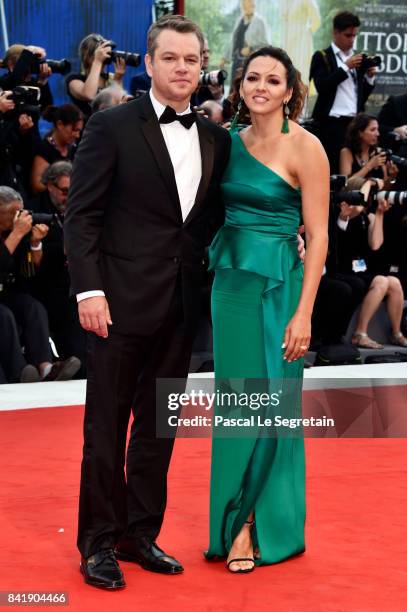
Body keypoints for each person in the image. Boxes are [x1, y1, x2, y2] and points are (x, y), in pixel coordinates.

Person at [64, 15, 231, 590]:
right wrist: (89, 289)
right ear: (150, 62)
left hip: (181, 308)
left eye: (191, 60)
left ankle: (140, 535)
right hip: (114, 305)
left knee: (158, 431)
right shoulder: (110, 126)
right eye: (171, 58)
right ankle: (98, 544)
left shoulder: (216, 137)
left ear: (202, 64)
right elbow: (80, 216)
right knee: (106, 430)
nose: (182, 68)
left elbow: (213, 219)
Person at [205, 46, 329, 572]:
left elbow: (319, 237)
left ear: (289, 91)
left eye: (272, 80)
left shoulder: (307, 147)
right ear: (240, 86)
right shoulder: (226, 143)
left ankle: (257, 524)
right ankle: (236, 522)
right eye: (252, 77)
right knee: (236, 405)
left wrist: (303, 314)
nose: (260, 86)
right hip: (229, 286)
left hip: (280, 289)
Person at [0, 186, 81, 381]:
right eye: (12, 213)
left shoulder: (17, 233)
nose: (18, 218)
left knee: (33, 307)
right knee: (4, 316)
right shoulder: (16, 234)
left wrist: (35, 244)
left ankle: (46, 368)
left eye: (20, 212)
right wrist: (17, 235)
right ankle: (21, 371)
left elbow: (29, 274)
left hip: (10, 292)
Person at [28, 162, 87, 377]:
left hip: (75, 287)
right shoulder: (33, 211)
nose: (69, 197)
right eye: (64, 191)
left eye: (74, 191)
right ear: (49, 186)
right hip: (44, 286)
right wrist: (36, 243)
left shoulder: (82, 209)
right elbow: (32, 268)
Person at [309, 11, 376, 173]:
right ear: (335, 32)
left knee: (352, 172)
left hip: (354, 124)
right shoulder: (322, 56)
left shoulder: (357, 59)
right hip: (332, 124)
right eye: (348, 35)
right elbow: (322, 86)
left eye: (354, 36)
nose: (352, 40)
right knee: (330, 169)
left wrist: (369, 78)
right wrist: (346, 67)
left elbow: (360, 97)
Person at [66, 34, 126, 121]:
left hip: (108, 127)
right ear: (88, 57)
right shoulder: (74, 80)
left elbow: (118, 105)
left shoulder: (110, 78)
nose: (107, 56)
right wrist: (97, 61)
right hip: (86, 130)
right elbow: (89, 95)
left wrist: (118, 79)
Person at [31, 104, 83, 194]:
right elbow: (37, 185)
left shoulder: (76, 149)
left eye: (79, 131)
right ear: (60, 124)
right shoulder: (44, 149)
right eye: (74, 130)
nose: (77, 135)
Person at [339, 114, 398, 184]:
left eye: (377, 130)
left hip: (376, 194)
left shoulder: (379, 152)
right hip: (355, 194)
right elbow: (345, 184)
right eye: (373, 130)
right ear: (360, 133)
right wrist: (370, 165)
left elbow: (383, 190)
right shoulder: (346, 152)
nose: (377, 134)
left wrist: (392, 177)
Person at [220, 0, 269, 82]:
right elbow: (233, 41)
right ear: (242, 7)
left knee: (246, 88)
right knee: (234, 89)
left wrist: (251, 49)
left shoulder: (260, 22)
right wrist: (224, 58)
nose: (247, 7)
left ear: (254, 5)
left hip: (251, 63)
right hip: (236, 61)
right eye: (245, 5)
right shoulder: (239, 20)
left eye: (250, 4)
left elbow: (265, 45)